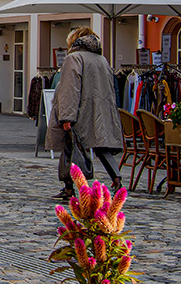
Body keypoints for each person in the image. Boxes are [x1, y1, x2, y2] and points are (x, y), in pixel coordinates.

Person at [46, 27, 124, 198]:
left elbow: (69, 89)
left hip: (80, 111)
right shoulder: (101, 59)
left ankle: (68, 188)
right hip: (100, 110)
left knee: (70, 147)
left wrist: (67, 116)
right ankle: (117, 180)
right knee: (103, 146)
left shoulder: (74, 58)